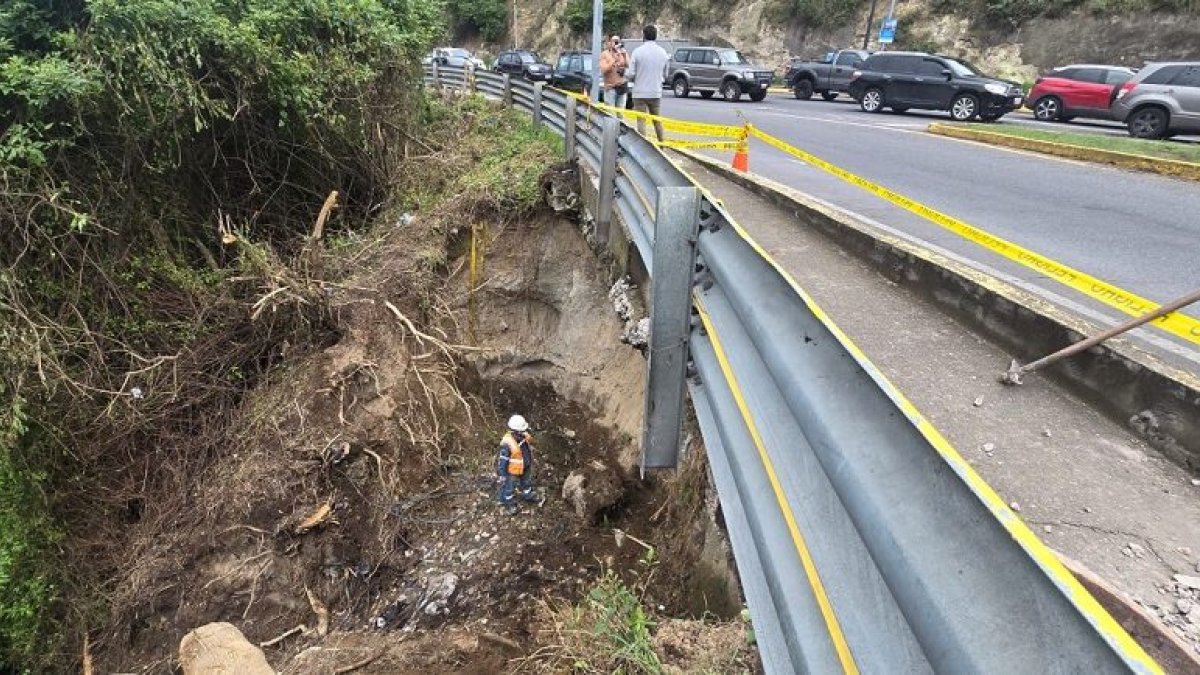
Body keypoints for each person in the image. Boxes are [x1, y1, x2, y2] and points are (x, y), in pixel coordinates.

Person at [626, 24, 670, 142]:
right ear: (656, 36)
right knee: (657, 120)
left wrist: (623, 73)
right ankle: (662, 144)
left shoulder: (637, 52)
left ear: (644, 35)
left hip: (640, 93)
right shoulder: (663, 53)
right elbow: (666, 75)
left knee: (641, 121)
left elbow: (630, 74)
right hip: (655, 92)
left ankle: (643, 146)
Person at [496, 414, 542, 515]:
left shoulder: (523, 437)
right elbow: (503, 460)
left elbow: (532, 443)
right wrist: (503, 474)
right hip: (512, 471)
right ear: (514, 431)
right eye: (522, 431)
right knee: (509, 486)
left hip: (525, 466)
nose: (524, 432)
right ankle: (508, 502)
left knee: (526, 482)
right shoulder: (507, 444)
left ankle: (528, 494)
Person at [599, 35, 629, 109]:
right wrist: (614, 60)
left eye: (617, 41)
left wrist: (624, 55)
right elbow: (603, 70)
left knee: (621, 113)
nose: (616, 43)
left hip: (622, 86)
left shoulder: (622, 52)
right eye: (614, 41)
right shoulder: (605, 54)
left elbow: (629, 65)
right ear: (609, 43)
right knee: (610, 113)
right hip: (610, 88)